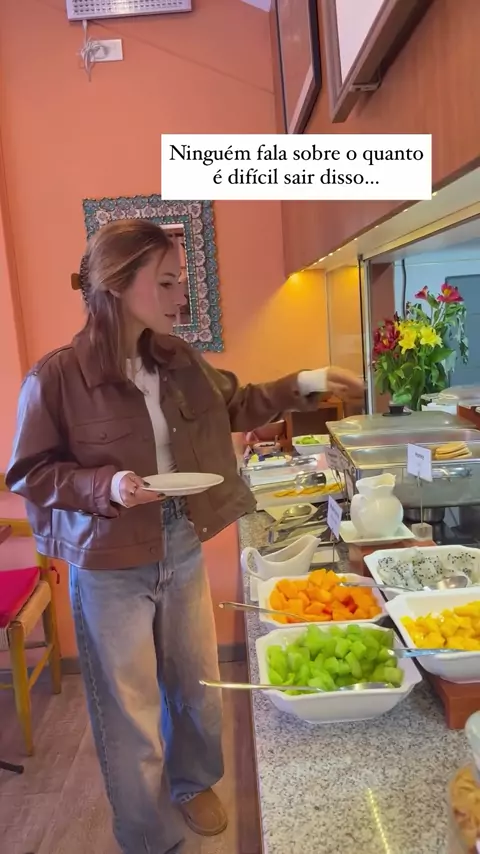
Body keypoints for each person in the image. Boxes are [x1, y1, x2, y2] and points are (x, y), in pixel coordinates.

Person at [6, 219, 364, 854]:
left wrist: (306, 381)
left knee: (196, 684)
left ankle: (193, 782)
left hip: (180, 537)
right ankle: (147, 834)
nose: (181, 296)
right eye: (167, 282)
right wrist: (107, 486)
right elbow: (29, 473)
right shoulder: (56, 377)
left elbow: (238, 403)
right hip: (109, 558)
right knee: (129, 710)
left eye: (181, 282)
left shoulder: (177, 360)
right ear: (119, 284)